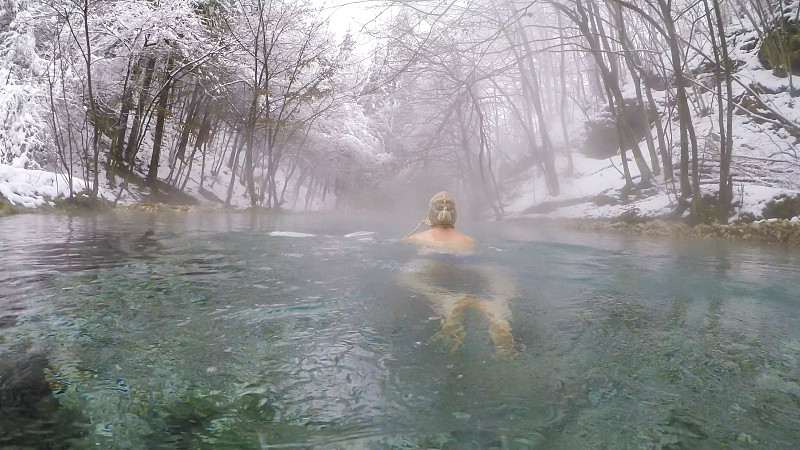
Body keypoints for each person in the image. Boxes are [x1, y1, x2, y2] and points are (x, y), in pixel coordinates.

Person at [400, 191, 515, 358]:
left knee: (404, 276)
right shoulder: (470, 241)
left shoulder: (416, 237)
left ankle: (445, 299)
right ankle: (497, 309)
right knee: (499, 279)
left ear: (431, 213)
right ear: (455, 215)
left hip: (432, 260)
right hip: (470, 261)